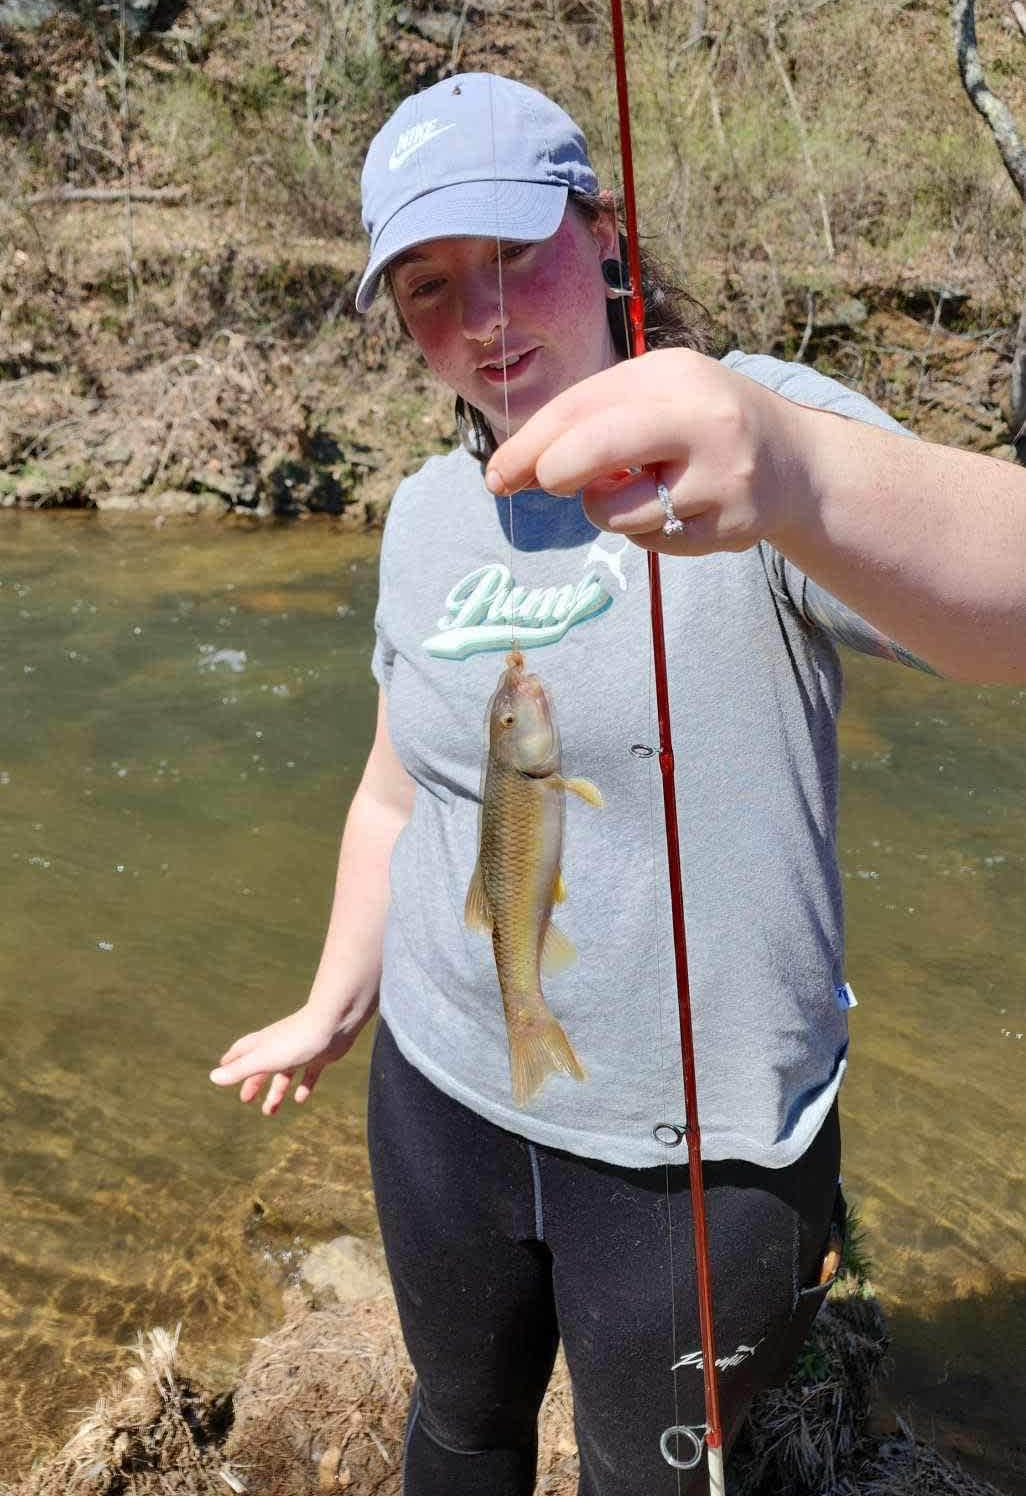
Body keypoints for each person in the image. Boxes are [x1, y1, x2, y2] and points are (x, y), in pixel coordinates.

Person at [210, 73, 1026, 1496]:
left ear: (602, 232)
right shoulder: (424, 514)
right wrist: (336, 1000)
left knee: (643, 1474)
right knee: (459, 1427)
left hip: (694, 1151)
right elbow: (397, 798)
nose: (480, 318)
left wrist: (793, 475)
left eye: (513, 257)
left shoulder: (751, 428)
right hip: (442, 1084)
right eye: (425, 286)